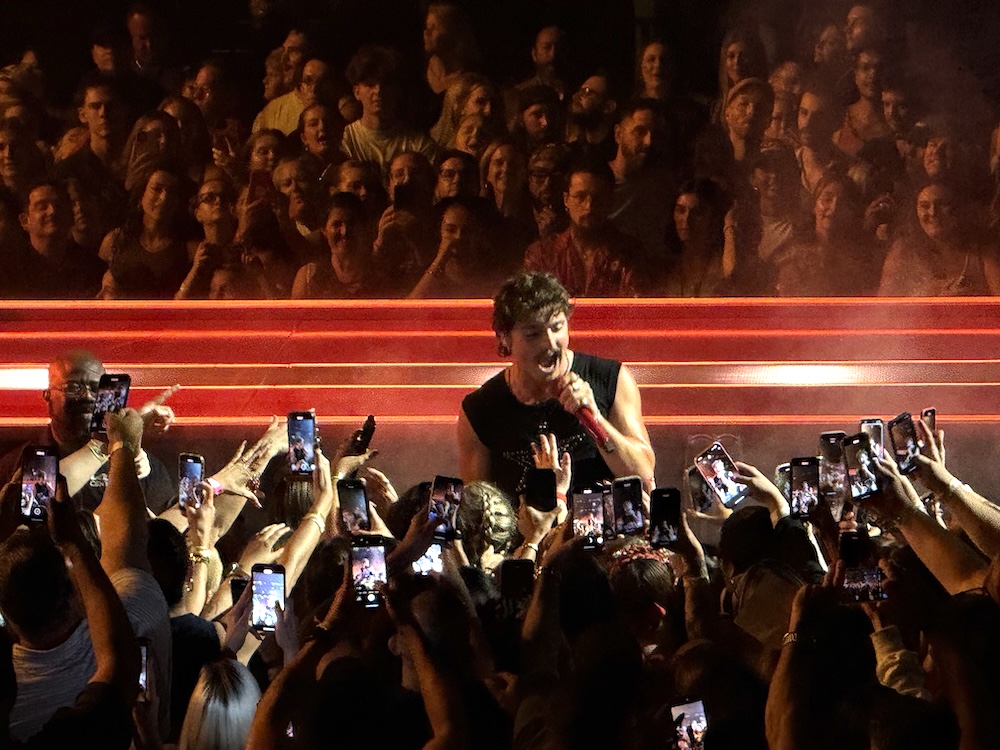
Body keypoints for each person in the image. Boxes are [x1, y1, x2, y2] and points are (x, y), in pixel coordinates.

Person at [458, 271, 655, 498]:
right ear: (505, 338)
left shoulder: (610, 379)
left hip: (603, 531)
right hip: (526, 533)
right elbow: (478, 509)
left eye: (557, 327)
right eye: (533, 334)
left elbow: (644, 473)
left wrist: (596, 419)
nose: (550, 343)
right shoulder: (481, 410)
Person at [524, 160, 640, 297]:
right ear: (566, 199)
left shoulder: (630, 253)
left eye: (597, 198)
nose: (589, 207)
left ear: (610, 201)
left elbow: (633, 309)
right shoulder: (542, 255)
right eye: (580, 197)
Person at [879, 181, 1000, 295]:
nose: (932, 212)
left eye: (942, 205)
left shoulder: (982, 251)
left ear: (957, 208)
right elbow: (884, 308)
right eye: (924, 206)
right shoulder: (903, 251)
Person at [340, 45, 439, 171]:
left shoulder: (419, 145)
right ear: (357, 92)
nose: (378, 91)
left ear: (398, 91)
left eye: (386, 84)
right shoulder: (346, 140)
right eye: (370, 84)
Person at [14, 179, 105, 299]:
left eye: (59, 205)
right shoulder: (11, 269)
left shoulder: (92, 268)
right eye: (42, 207)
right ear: (25, 221)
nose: (52, 211)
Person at [292, 192, 381, 299]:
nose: (344, 232)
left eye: (351, 223)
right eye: (337, 224)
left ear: (363, 227)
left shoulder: (380, 276)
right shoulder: (308, 278)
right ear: (324, 230)